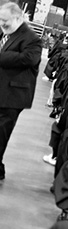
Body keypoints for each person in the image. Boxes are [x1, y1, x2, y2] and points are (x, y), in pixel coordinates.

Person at [0, 2, 42, 181]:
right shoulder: (5, 32)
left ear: (18, 18)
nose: (2, 23)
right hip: (2, 90)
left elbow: (29, 59)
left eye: (5, 20)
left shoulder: (32, 38)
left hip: (12, 96)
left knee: (1, 133)